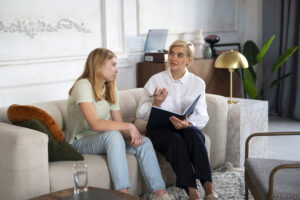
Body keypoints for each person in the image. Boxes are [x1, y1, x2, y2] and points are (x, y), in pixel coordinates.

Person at [66, 48, 174, 200]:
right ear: (98, 65)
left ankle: (160, 194)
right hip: (79, 141)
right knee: (114, 136)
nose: (117, 70)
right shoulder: (83, 85)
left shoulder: (110, 88)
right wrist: (129, 127)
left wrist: (133, 136)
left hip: (103, 139)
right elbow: (94, 124)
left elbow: (118, 123)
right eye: (113, 65)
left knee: (144, 142)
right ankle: (122, 195)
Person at [136, 39, 219, 200]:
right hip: (159, 130)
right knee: (176, 140)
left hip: (185, 128)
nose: (173, 58)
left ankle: (209, 190)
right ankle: (193, 193)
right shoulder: (155, 80)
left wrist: (188, 123)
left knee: (195, 135)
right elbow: (140, 112)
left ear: (189, 60)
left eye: (180, 55)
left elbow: (202, 114)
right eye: (171, 53)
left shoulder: (197, 83)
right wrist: (156, 103)